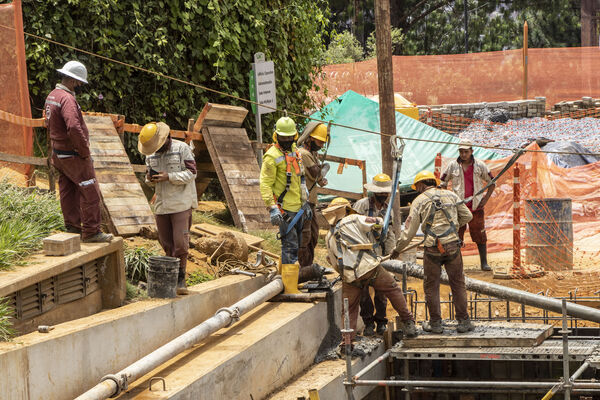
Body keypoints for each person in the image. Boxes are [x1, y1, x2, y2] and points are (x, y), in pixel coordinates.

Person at [324, 197, 417, 341]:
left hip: (349, 277)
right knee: (393, 289)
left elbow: (333, 262)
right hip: (369, 268)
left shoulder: (328, 236)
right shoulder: (354, 219)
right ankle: (408, 322)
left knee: (349, 309)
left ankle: (347, 342)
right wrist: (379, 230)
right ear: (346, 210)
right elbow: (378, 222)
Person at [393, 171, 474, 334]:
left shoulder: (419, 201)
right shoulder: (451, 195)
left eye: (417, 187)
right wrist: (453, 228)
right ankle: (464, 322)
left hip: (432, 248)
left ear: (422, 185)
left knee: (431, 286)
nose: (417, 190)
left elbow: (409, 232)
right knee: (458, 284)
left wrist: (398, 249)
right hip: (452, 246)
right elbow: (468, 215)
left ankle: (436, 324)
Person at [45, 60, 113, 243]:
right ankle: (91, 232)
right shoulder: (67, 99)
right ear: (74, 81)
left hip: (58, 153)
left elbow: (49, 123)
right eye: (80, 83)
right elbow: (74, 127)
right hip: (73, 154)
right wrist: (84, 151)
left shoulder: (52, 95)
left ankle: (72, 227)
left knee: (67, 189)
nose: (80, 86)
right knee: (90, 190)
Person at [139, 122, 197, 295]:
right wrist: (150, 179)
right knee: (166, 243)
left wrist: (169, 176)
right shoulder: (150, 155)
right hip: (161, 205)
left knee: (180, 243)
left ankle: (181, 278)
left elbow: (192, 173)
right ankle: (171, 278)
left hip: (181, 203)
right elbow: (148, 177)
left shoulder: (182, 149)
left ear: (165, 139)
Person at [259, 116, 311, 293]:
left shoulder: (295, 152)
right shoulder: (271, 157)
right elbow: (265, 184)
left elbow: (300, 177)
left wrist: (306, 201)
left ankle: (288, 280)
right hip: (285, 210)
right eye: (284, 138)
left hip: (299, 207)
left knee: (295, 245)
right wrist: (272, 208)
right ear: (276, 136)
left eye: (290, 137)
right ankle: (290, 288)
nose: (288, 141)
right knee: (290, 246)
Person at [440, 139, 495, 271]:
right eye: (461, 151)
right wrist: (446, 199)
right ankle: (456, 265)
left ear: (471, 151)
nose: (463, 154)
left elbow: (492, 183)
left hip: (476, 207)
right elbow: (442, 183)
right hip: (458, 208)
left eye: (466, 152)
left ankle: (484, 263)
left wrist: (486, 199)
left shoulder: (480, 166)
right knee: (456, 235)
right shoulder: (452, 166)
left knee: (480, 234)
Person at [352, 173, 396, 336]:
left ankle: (381, 321)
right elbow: (351, 227)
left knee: (381, 290)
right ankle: (368, 322)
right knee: (363, 291)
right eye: (381, 192)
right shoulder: (362, 205)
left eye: (385, 193)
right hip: (361, 254)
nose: (383, 195)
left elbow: (389, 232)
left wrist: (391, 251)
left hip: (379, 254)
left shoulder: (387, 209)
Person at [297, 121, 329, 282]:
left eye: (323, 142)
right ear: (309, 138)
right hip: (304, 202)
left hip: (311, 202)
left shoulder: (312, 154)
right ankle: (303, 270)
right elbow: (316, 173)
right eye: (319, 142)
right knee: (306, 237)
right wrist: (322, 173)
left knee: (313, 236)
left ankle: (307, 268)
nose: (321, 145)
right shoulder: (303, 153)